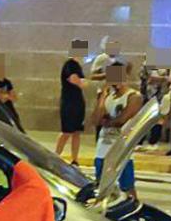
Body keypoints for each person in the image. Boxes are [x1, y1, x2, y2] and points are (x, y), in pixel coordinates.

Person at [94, 64, 143, 197]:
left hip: (122, 147)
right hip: (103, 146)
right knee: (100, 184)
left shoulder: (133, 96)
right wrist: (102, 97)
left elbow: (121, 120)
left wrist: (108, 120)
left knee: (127, 185)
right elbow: (96, 120)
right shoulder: (109, 96)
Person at [55, 54, 86, 165]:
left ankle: (75, 159)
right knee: (66, 132)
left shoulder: (77, 65)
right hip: (69, 102)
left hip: (77, 101)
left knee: (77, 132)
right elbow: (73, 79)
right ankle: (56, 156)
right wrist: (82, 83)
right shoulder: (70, 65)